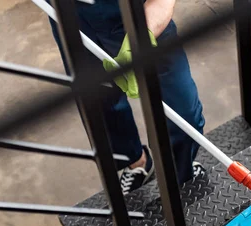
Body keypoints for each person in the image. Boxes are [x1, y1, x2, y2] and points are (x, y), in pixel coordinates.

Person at [47, 0, 205, 194]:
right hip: (69, 15)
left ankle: (182, 172)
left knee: (182, 111)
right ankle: (135, 162)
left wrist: (141, 39)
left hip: (136, 14)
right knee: (99, 103)